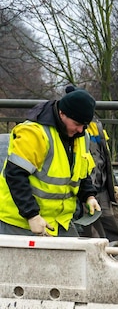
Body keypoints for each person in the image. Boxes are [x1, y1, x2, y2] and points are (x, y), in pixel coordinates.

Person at [0, 88, 100, 237]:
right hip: (20, 222)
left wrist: (89, 196)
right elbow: (15, 175)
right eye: (77, 123)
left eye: (84, 125)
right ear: (62, 113)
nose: (80, 130)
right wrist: (32, 215)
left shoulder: (81, 135)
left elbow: (80, 172)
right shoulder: (35, 133)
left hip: (58, 222)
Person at [65, 85, 118, 246]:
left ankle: (115, 255)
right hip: (83, 186)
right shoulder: (70, 127)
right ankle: (97, 259)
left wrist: (113, 184)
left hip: (100, 185)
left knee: (108, 223)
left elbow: (105, 157)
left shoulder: (95, 125)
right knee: (88, 227)